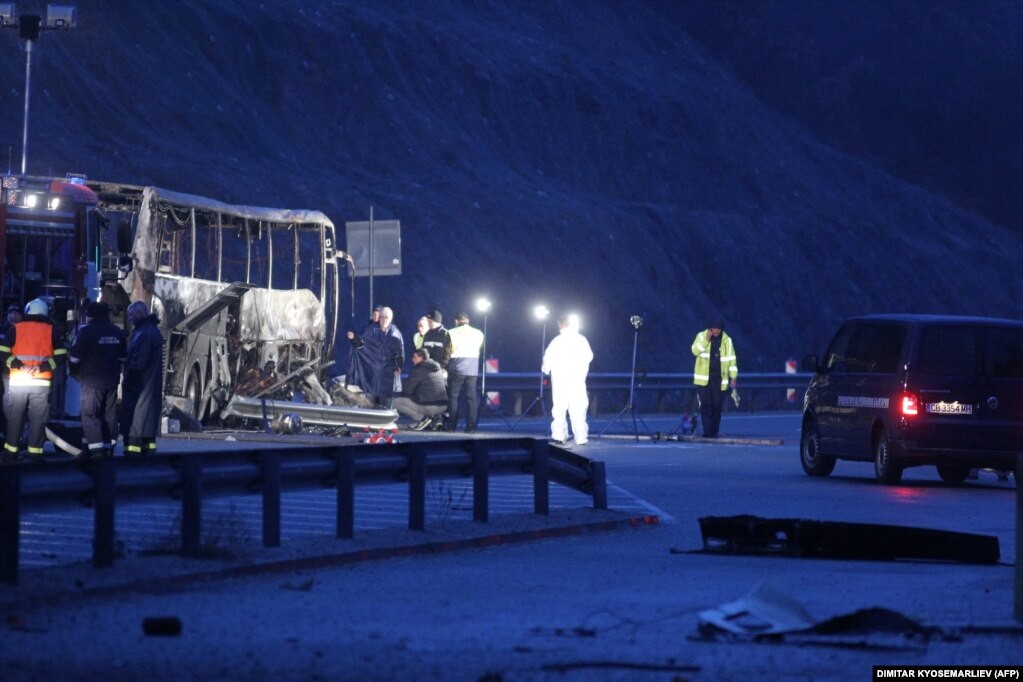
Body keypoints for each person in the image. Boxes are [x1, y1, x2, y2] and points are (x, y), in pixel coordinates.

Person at [0, 298, 66, 461]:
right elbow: (61, 355)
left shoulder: (16, 329)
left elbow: (2, 352)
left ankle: (10, 453)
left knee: (15, 418)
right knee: (38, 420)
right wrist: (42, 367)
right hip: (41, 383)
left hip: (18, 382)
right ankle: (35, 454)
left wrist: (18, 365)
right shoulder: (51, 330)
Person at [68, 302, 127, 459]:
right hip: (112, 381)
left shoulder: (86, 333)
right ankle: (104, 448)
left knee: (90, 415)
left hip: (91, 381)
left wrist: (75, 374)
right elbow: (123, 358)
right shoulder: (117, 333)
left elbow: (74, 359)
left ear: (91, 315)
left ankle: (96, 451)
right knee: (108, 416)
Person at [542, 315, 594, 445]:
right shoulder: (582, 340)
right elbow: (589, 356)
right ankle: (581, 438)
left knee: (559, 409)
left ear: (562, 325)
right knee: (578, 409)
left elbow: (547, 360)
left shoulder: (557, 341)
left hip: (560, 382)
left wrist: (546, 369)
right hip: (577, 381)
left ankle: (559, 436)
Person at [122, 301, 165, 455]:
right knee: (148, 430)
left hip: (140, 388)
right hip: (148, 387)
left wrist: (127, 371)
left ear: (140, 313)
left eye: (132, 315)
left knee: (136, 425)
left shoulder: (144, 333)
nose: (130, 318)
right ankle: (149, 458)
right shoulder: (150, 330)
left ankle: (132, 458)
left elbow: (139, 361)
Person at [345, 306, 404, 407]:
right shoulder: (371, 330)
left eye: (386, 317)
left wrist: (399, 366)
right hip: (372, 373)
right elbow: (360, 344)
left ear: (391, 319)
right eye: (382, 317)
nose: (384, 320)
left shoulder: (396, 333)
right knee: (369, 401)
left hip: (387, 375)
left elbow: (399, 353)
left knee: (386, 403)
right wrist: (353, 338)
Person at [691, 317, 738, 438]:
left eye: (719, 329)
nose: (716, 331)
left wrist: (733, 377)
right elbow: (694, 351)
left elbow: (732, 360)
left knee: (716, 405)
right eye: (714, 328)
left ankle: (714, 430)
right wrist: (706, 341)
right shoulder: (701, 336)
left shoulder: (727, 341)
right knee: (705, 405)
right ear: (710, 328)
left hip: (719, 379)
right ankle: (707, 431)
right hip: (703, 379)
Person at [444, 311, 485, 433]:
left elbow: (447, 352)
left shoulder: (451, 332)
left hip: (456, 367)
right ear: (468, 321)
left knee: (453, 397)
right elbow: (479, 349)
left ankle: (452, 426)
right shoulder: (479, 333)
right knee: (471, 398)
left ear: (456, 321)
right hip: (472, 368)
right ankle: (471, 427)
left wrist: (443, 367)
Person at [392, 349, 448, 430]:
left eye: (414, 357)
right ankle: (436, 418)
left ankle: (423, 419)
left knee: (396, 402)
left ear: (421, 357)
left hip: (430, 407)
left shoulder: (418, 369)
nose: (412, 359)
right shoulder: (438, 367)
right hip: (443, 406)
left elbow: (407, 391)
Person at [0, 305, 23, 439]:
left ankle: (13, 433)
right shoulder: (3, 329)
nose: (12, 316)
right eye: (10, 313)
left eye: (15, 313)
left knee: (12, 403)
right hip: (5, 372)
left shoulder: (23, 330)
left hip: (15, 373)